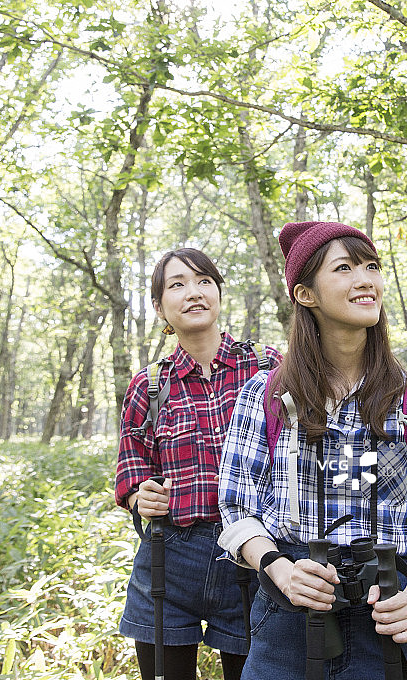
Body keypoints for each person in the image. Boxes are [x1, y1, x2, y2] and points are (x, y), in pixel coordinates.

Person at [218, 221, 407, 680]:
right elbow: (236, 508)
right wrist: (281, 570)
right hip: (290, 618)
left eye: (372, 267)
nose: (365, 280)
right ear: (305, 294)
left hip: (389, 612)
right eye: (344, 268)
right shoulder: (267, 395)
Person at [115, 247, 282, 680]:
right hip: (169, 559)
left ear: (219, 294)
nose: (193, 292)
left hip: (253, 556)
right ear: (159, 307)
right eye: (178, 285)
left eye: (204, 281)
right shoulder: (150, 384)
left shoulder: (268, 368)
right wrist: (140, 496)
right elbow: (132, 468)